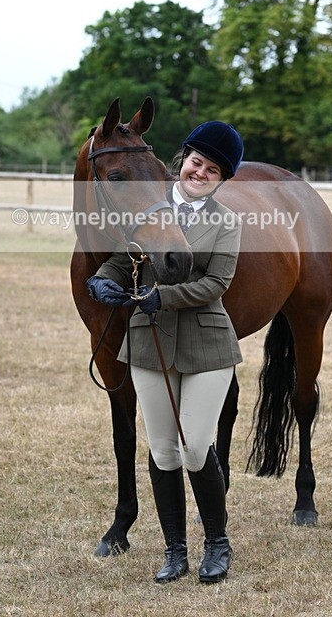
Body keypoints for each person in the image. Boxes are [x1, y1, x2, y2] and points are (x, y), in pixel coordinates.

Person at [86, 121, 244, 584]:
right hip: (149, 341)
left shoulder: (227, 222)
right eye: (197, 161)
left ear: (221, 179)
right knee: (162, 450)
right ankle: (175, 551)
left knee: (195, 445)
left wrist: (161, 297)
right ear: (184, 159)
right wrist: (105, 279)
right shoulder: (147, 208)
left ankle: (218, 543)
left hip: (206, 343)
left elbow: (217, 283)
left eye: (213, 170)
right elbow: (123, 257)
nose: (201, 172)